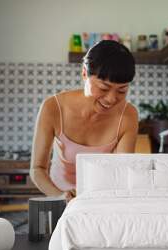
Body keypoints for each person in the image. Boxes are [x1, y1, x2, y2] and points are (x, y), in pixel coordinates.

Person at [30, 40, 138, 203]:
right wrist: (60, 197)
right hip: (59, 196)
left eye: (122, 90)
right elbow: (37, 169)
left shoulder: (128, 115)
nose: (111, 99)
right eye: (103, 88)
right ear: (84, 73)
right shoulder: (53, 107)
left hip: (102, 198)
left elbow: (121, 172)